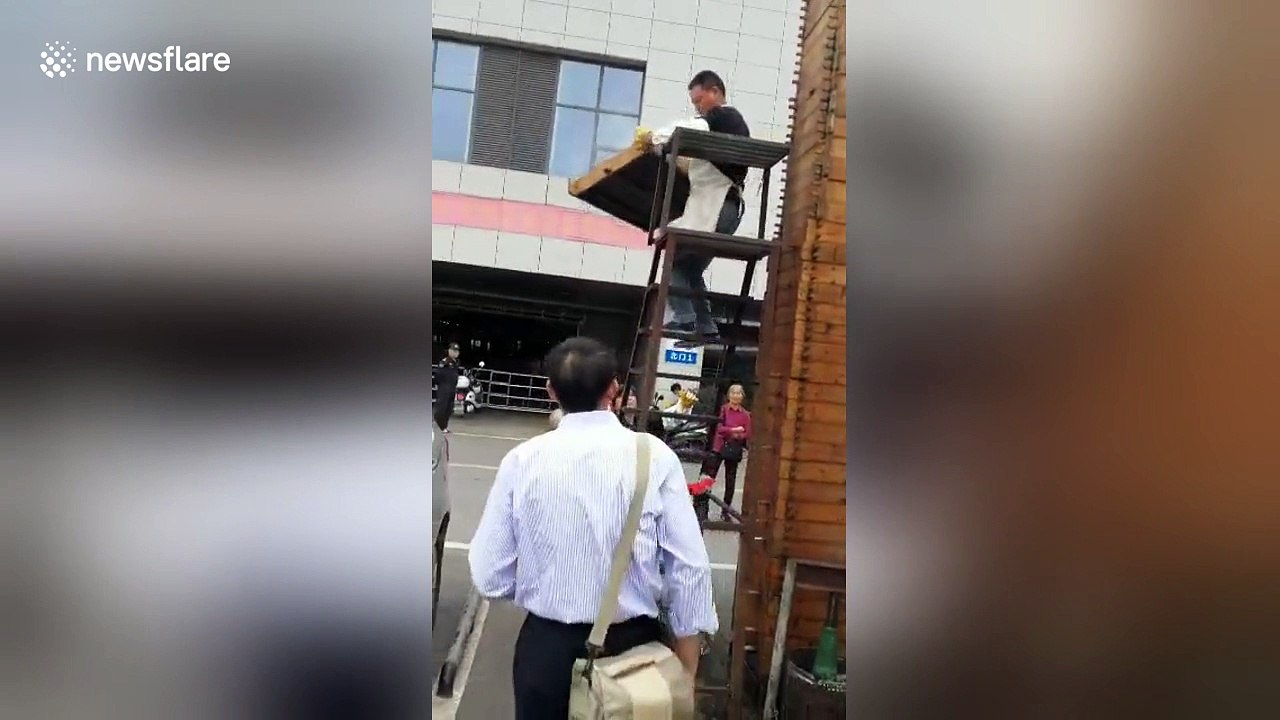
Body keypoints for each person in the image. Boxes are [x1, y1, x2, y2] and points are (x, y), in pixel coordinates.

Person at [469, 337, 717, 720]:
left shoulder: (522, 461)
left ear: (551, 391)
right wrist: (685, 674)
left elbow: (489, 575)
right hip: (634, 654)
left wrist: (545, 581)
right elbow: (690, 569)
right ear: (614, 388)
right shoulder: (654, 456)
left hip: (546, 652)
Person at [645, 70, 751, 348]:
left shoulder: (723, 117)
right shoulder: (723, 130)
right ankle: (706, 327)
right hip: (723, 209)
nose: (698, 107)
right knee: (689, 269)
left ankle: (686, 318)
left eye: (699, 100)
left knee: (675, 260)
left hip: (718, 206)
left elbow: (689, 129)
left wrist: (656, 139)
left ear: (715, 92)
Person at [702, 384, 752, 518]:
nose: (736, 396)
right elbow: (719, 428)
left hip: (733, 448)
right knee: (710, 477)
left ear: (742, 396)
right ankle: (703, 507)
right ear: (729, 395)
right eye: (733, 393)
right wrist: (734, 430)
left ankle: (725, 511)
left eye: (738, 393)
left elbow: (747, 433)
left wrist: (736, 435)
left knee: (730, 481)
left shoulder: (745, 415)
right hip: (719, 446)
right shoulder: (723, 410)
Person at [433, 342, 461, 432]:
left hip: (452, 387)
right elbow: (438, 374)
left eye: (457, 351)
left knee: (449, 408)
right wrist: (439, 384)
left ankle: (444, 427)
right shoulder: (445, 362)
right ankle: (437, 426)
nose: (456, 353)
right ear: (449, 351)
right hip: (444, 388)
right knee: (441, 408)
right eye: (454, 351)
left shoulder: (456, 362)